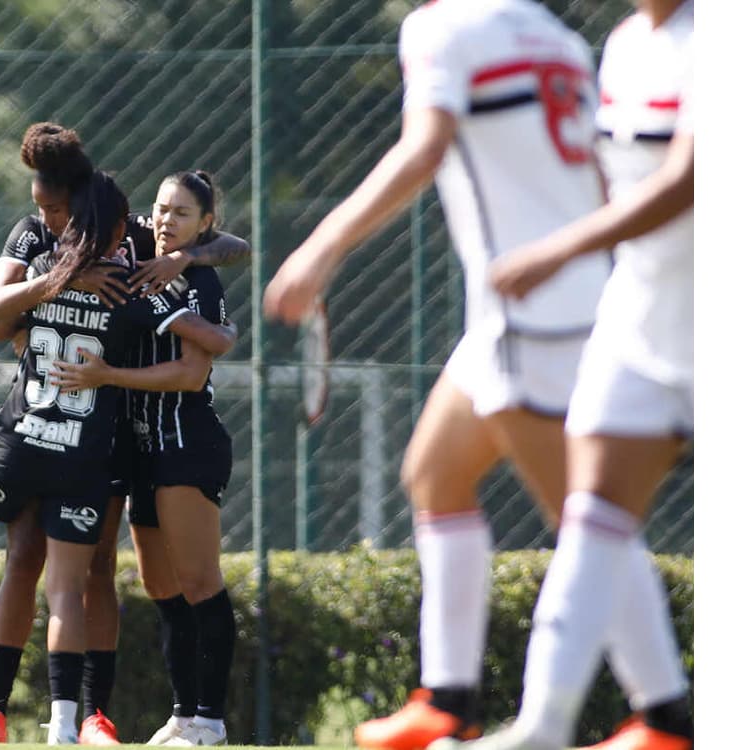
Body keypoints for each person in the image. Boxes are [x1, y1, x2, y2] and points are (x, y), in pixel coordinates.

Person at [263, 0, 616, 746]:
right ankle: (446, 700)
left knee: (591, 527)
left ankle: (666, 713)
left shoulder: (442, 27)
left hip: (535, 318)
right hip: (541, 312)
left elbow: (423, 150)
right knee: (434, 472)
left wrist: (323, 246)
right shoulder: (559, 37)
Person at [0, 123, 247, 747]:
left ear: (83, 206)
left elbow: (214, 325)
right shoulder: (41, 239)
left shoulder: (140, 256)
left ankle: (112, 718)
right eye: (163, 212)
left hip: (135, 442)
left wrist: (184, 258)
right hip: (62, 433)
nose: (43, 218)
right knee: (44, 562)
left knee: (116, 572)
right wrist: (56, 287)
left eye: (53, 208)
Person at [430, 2, 694, 749]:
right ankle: (547, 724)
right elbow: (612, 180)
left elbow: (692, 178)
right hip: (639, 324)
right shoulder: (623, 45)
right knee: (594, 515)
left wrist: (558, 248)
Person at [51, 170, 238, 747]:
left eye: (182, 212)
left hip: (185, 442)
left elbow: (192, 370)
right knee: (162, 589)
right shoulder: (133, 245)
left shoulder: (196, 276)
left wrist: (107, 374)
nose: (165, 220)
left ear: (205, 223)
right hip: (140, 451)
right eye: (161, 209)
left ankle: (211, 718)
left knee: (200, 582)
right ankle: (184, 713)